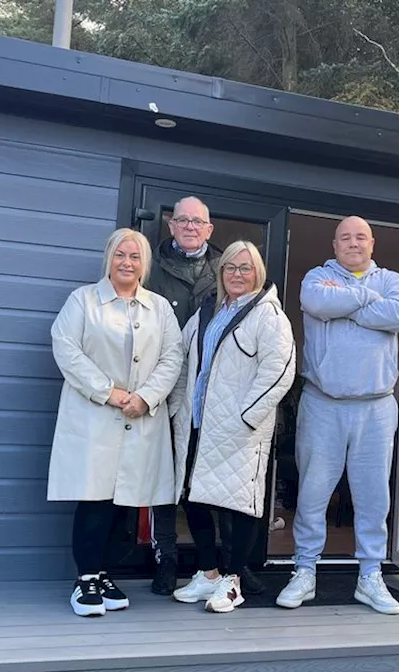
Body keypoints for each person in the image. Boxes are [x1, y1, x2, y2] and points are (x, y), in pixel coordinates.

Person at [275, 215, 399, 615]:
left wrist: (350, 302)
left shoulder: (391, 281)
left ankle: (370, 576)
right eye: (345, 238)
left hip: (376, 407)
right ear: (334, 246)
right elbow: (318, 303)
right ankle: (304, 571)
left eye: (361, 238)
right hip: (323, 404)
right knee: (314, 493)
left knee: (373, 497)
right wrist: (368, 301)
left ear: (372, 244)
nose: (353, 244)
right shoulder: (317, 278)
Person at [46, 227, 184, 618]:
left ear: (145, 264)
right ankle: (86, 578)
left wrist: (145, 397)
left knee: (125, 504)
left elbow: (173, 357)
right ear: (109, 258)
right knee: (94, 501)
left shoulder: (158, 308)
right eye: (121, 255)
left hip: (140, 418)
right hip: (95, 417)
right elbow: (66, 348)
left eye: (135, 256)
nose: (127, 263)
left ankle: (104, 573)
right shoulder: (84, 301)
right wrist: (108, 391)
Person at [144, 196, 267, 597]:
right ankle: (171, 562)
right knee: (173, 485)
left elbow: (273, 365)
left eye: (198, 222)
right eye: (182, 220)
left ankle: (229, 569)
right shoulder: (152, 268)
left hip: (223, 409)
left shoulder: (231, 280)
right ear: (171, 224)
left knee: (223, 491)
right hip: (169, 392)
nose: (190, 227)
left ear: (209, 229)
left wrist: (245, 414)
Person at [167, 240, 296, 613]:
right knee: (195, 499)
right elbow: (183, 357)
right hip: (198, 424)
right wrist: (178, 406)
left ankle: (233, 580)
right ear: (221, 272)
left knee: (239, 507)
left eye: (245, 268)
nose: (237, 274)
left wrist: (247, 417)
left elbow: (280, 370)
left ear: (258, 272)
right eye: (230, 268)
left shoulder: (268, 317)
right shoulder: (208, 311)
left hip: (240, 430)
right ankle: (208, 573)